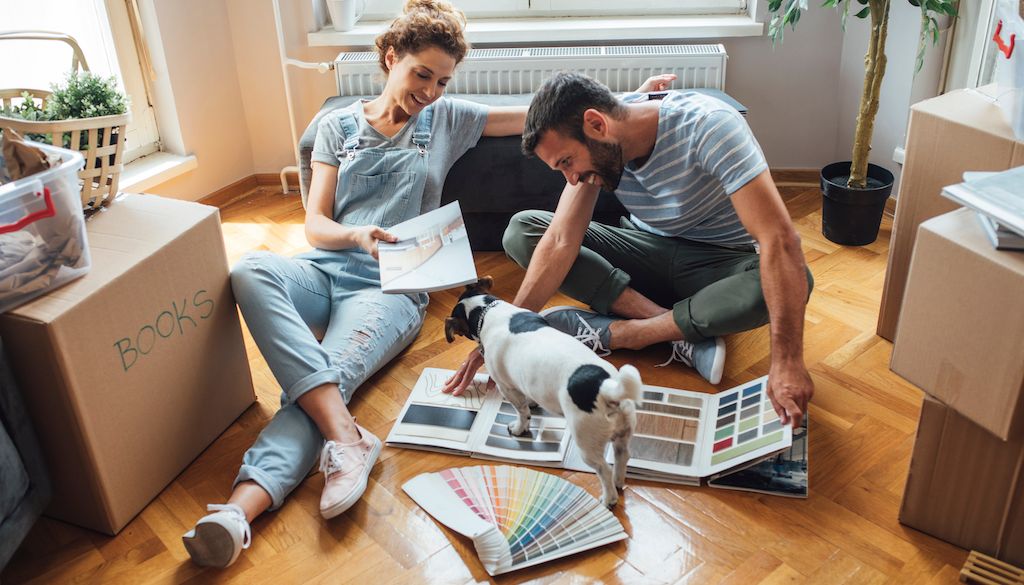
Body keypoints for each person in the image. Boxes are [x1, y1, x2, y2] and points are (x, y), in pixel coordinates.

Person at [179, 0, 525, 568]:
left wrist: (634, 101)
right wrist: (356, 235)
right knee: (250, 268)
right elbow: (314, 224)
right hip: (325, 270)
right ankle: (349, 438)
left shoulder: (448, 119)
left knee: (324, 379)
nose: (431, 90)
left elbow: (532, 114)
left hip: (392, 290)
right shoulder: (337, 127)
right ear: (391, 57)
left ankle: (237, 512)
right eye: (421, 74)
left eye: (442, 80)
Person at [444, 72, 814, 431]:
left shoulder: (710, 126)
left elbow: (779, 240)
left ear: (596, 125)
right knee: (523, 230)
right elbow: (559, 240)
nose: (570, 179)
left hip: (718, 262)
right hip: (644, 253)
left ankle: (626, 333)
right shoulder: (600, 152)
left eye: (567, 162)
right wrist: (504, 338)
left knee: (789, 282)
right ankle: (677, 329)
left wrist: (788, 360)